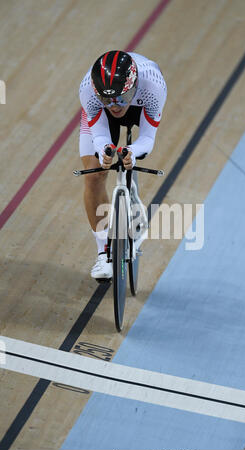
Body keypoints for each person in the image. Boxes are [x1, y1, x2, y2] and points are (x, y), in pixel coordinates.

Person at [79, 50, 167, 280]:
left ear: (134, 86)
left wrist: (131, 152)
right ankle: (103, 252)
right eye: (108, 99)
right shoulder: (88, 91)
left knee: (129, 154)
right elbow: (99, 137)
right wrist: (105, 152)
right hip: (102, 116)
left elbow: (147, 140)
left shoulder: (153, 85)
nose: (115, 106)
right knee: (94, 176)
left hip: (140, 108)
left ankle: (133, 202)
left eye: (121, 98)